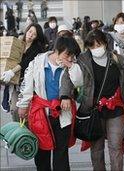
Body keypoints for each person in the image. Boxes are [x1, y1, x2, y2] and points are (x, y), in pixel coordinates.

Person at [60, 29, 124, 171]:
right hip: (93, 110)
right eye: (92, 46)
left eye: (99, 44)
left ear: (105, 43)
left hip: (116, 109)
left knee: (116, 146)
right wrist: (65, 95)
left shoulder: (117, 59)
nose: (96, 48)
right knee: (97, 148)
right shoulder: (82, 59)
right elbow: (67, 77)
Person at [16, 36, 81, 171]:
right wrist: (23, 105)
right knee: (42, 151)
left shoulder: (71, 65)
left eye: (72, 55)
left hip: (63, 113)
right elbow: (27, 84)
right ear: (57, 50)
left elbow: (79, 82)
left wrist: (70, 65)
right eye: (67, 54)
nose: (70, 58)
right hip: (41, 113)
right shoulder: (38, 62)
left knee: (61, 152)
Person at [1, 23, 46, 121]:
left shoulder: (36, 48)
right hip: (14, 83)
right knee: (14, 108)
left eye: (34, 34)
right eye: (30, 32)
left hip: (27, 83)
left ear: (36, 37)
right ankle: (18, 130)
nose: (30, 35)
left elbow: (25, 62)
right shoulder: (18, 43)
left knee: (25, 108)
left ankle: (26, 131)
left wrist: (12, 72)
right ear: (27, 30)